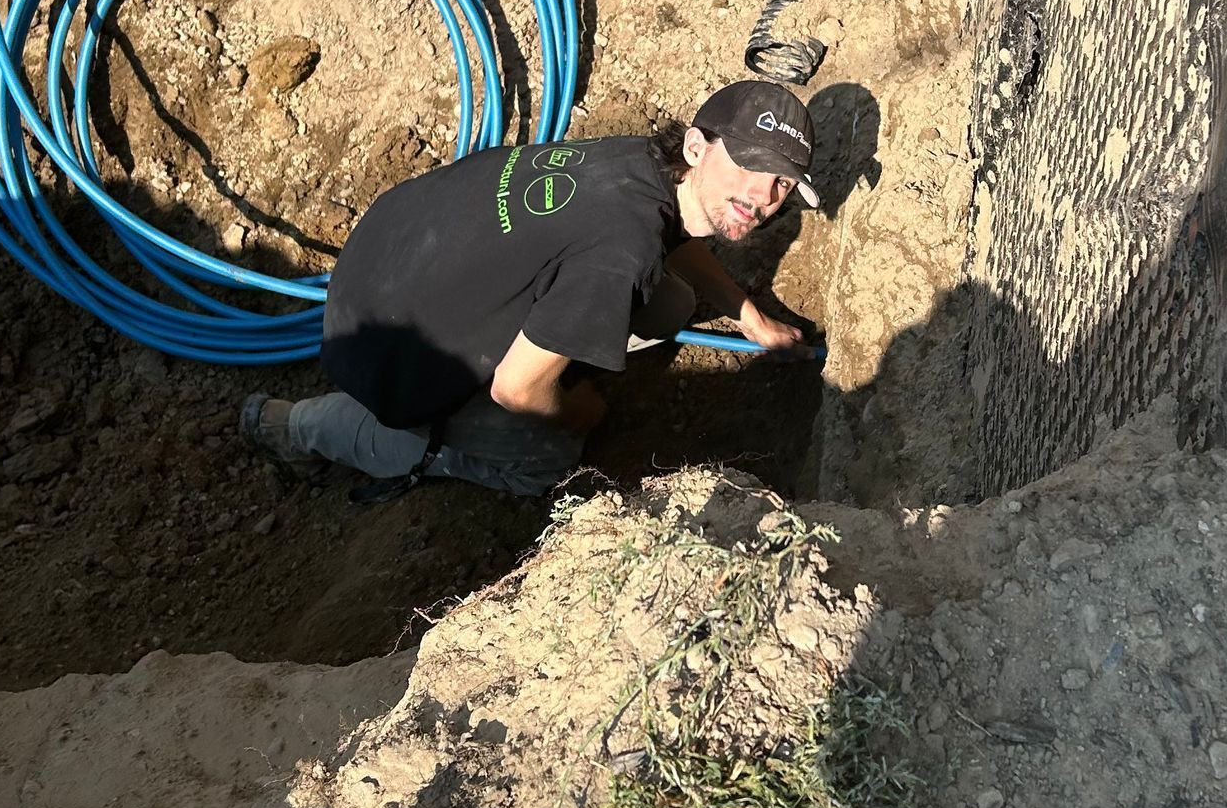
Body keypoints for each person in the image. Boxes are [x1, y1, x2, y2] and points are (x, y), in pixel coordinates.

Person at [240, 80, 821, 496]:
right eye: (747, 165)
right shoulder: (622, 251)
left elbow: (672, 235)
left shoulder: (639, 162)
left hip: (392, 254)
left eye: (782, 183)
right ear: (696, 147)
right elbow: (516, 390)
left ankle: (555, 350)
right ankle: (296, 427)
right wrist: (575, 411)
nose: (761, 197)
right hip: (386, 348)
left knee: (671, 303)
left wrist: (748, 314)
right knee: (550, 457)